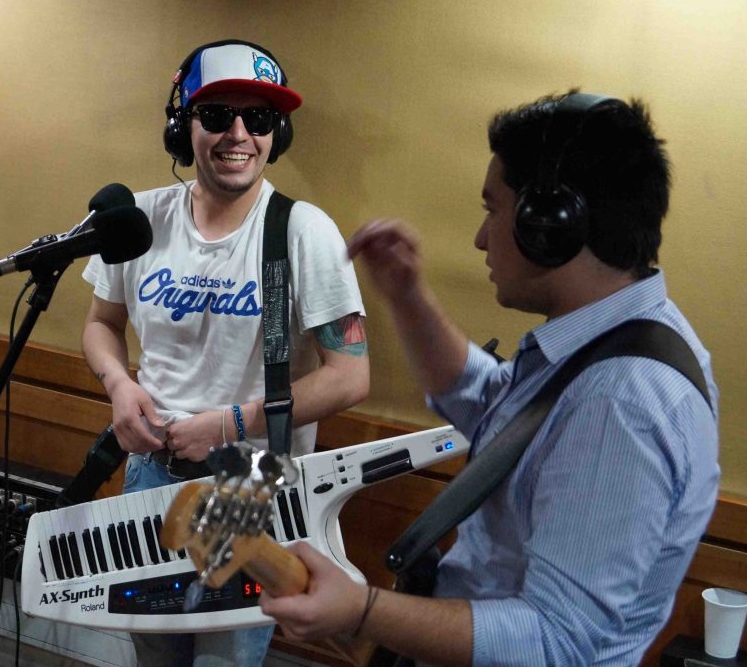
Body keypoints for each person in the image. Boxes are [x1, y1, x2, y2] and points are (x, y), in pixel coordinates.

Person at [258, 91, 720, 667]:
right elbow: (496, 411)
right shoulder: (621, 337)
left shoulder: (620, 404)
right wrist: (407, 296)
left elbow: (556, 640)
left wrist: (361, 610)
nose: (481, 237)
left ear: (547, 223)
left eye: (492, 210)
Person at [81, 40, 370, 667]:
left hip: (252, 482)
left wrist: (228, 424)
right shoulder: (142, 220)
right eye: (216, 115)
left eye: (258, 118)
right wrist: (119, 385)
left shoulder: (302, 231)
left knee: (225, 660)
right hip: (151, 473)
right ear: (182, 127)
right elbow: (102, 323)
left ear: (277, 134)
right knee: (154, 650)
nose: (238, 134)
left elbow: (350, 376)